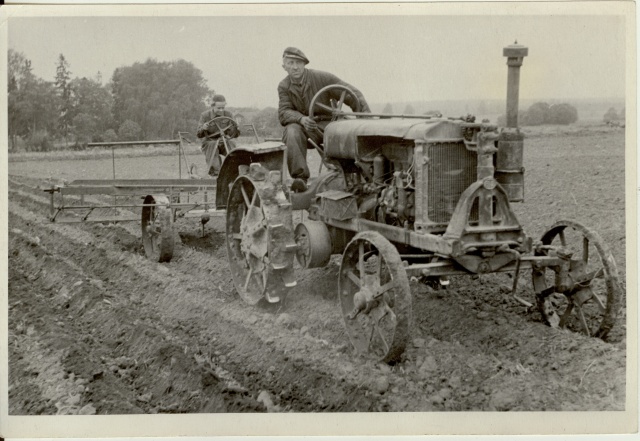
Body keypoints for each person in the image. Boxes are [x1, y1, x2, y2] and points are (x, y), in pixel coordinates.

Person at [278, 47, 371, 191]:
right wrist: (301, 119)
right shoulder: (284, 86)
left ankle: (367, 176)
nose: (295, 67)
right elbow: (284, 112)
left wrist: (367, 121)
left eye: (298, 63)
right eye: (290, 63)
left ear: (304, 64)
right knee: (291, 131)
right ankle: (300, 179)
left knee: (352, 134)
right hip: (307, 129)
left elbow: (353, 94)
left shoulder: (322, 78)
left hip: (331, 124)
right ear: (284, 66)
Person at [196, 94, 240, 177]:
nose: (221, 110)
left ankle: (234, 169)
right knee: (212, 145)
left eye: (223, 108)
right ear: (212, 106)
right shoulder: (205, 115)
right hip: (209, 141)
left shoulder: (229, 114)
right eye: (218, 108)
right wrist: (203, 128)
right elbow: (198, 134)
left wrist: (236, 128)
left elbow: (234, 135)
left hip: (224, 140)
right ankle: (216, 172)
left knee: (231, 143)